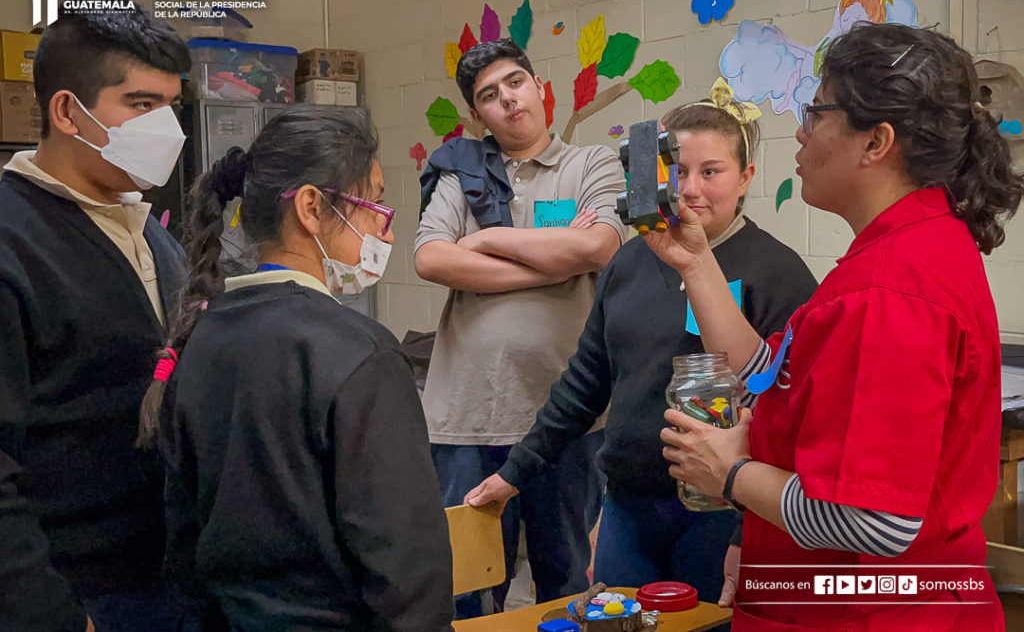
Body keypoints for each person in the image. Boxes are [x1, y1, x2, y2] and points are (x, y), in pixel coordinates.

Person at [647, 23, 1023, 630]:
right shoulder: (906, 250)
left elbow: (873, 521)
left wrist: (733, 473)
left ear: (875, 141)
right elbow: (772, 374)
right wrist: (695, 260)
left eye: (815, 112)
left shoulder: (891, 291)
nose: (799, 132)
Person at [465, 80, 818, 607]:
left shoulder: (779, 273)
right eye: (677, 170)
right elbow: (585, 382)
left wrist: (748, 535)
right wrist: (515, 472)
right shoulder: (629, 263)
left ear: (745, 179)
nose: (691, 189)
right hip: (629, 508)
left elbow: (790, 414)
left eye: (711, 171)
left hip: (723, 512)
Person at [139, 106, 454, 631]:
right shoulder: (361, 355)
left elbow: (181, 535)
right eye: (373, 201)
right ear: (311, 206)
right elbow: (405, 565)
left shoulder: (195, 340)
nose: (387, 230)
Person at [415, 38, 626, 612]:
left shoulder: (592, 164)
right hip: (467, 419)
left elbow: (600, 246)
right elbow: (432, 258)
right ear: (478, 114)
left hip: (567, 417)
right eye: (488, 95)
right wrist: (554, 263)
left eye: (514, 82)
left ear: (540, 88)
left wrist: (483, 240)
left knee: (566, 582)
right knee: (470, 586)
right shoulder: (460, 172)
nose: (506, 100)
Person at [0, 8, 191, 631]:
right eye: (140, 104)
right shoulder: (12, 241)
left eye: (171, 106)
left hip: (165, 575)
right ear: (66, 112)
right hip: (74, 592)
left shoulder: (148, 232)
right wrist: (47, 613)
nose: (165, 127)